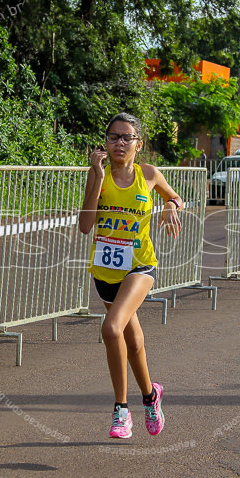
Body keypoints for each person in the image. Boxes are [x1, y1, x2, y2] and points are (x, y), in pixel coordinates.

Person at [79, 113, 183, 439]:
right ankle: (151, 396)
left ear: (139, 144)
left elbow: (176, 197)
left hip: (140, 266)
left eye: (127, 137)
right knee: (133, 340)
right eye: (113, 137)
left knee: (111, 329)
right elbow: (85, 226)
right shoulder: (99, 174)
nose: (119, 143)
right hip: (106, 271)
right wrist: (96, 176)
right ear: (105, 143)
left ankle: (121, 410)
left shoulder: (148, 174)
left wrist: (170, 206)